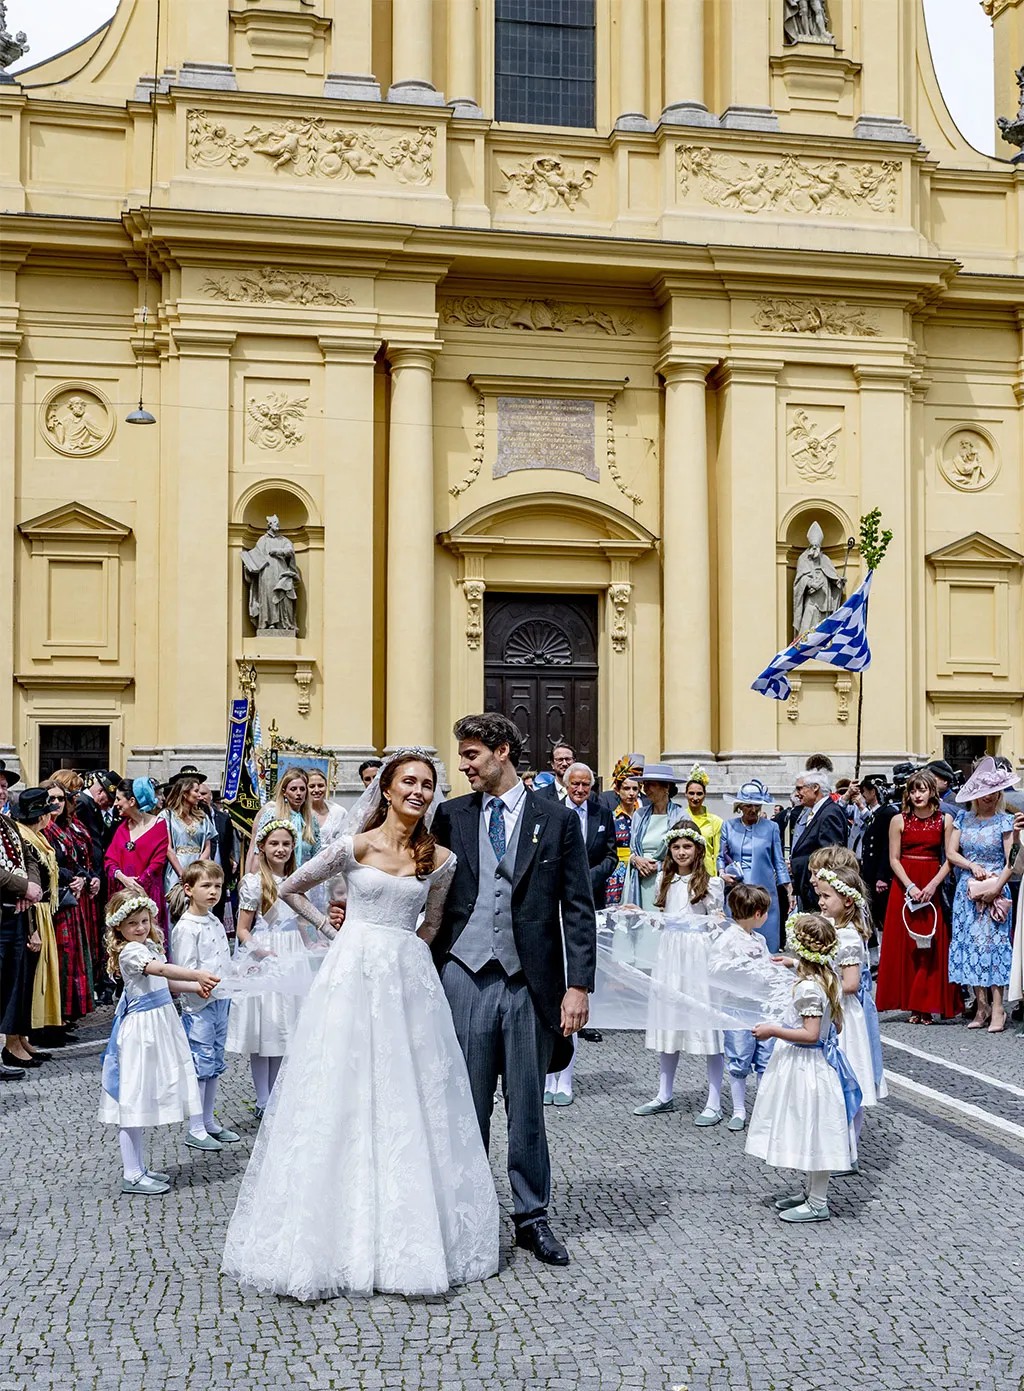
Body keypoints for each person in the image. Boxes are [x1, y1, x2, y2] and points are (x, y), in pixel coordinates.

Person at [223, 749, 499, 1299]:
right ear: (387, 790)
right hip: (350, 975)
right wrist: (333, 931)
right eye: (408, 783)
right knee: (341, 1087)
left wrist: (410, 956)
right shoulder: (354, 846)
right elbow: (293, 886)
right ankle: (333, 1232)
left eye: (427, 783)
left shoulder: (439, 860)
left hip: (407, 980)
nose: (418, 792)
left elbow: (435, 921)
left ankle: (411, 1233)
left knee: (409, 1094)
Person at [431, 713, 595, 1268]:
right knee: (467, 1107)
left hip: (529, 983)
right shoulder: (450, 818)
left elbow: (577, 906)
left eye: (472, 754)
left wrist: (577, 985)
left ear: (501, 752)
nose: (463, 765)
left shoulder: (555, 819)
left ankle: (532, 1219)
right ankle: (467, 1215)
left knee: (527, 1109)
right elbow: (415, 885)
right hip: (463, 973)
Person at [98, 890, 219, 1196]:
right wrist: (197, 973)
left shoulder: (147, 946)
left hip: (160, 1024)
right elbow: (161, 970)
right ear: (119, 930)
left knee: (143, 1096)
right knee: (134, 1098)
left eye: (144, 921)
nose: (140, 927)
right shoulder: (131, 953)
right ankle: (131, 1172)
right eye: (132, 924)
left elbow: (165, 982)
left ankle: (138, 1167)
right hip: (142, 1032)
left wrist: (194, 985)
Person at [745, 914, 861, 1224]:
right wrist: (792, 965)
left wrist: (773, 1030)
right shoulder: (828, 979)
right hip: (815, 1064)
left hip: (807, 1067)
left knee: (815, 1131)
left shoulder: (810, 989)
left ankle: (819, 1202)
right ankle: (811, 1192)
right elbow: (835, 1024)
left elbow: (810, 1034)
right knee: (808, 1128)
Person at [633, 824, 727, 1125]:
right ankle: (664, 1092)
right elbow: (665, 921)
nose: (682, 852)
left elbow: (715, 921)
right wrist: (639, 913)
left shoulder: (710, 884)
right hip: (671, 955)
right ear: (670, 851)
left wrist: (714, 924)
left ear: (697, 850)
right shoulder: (665, 880)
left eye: (687, 846)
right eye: (676, 847)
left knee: (706, 1024)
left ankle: (714, 1099)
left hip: (696, 955)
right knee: (669, 1021)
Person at [226, 820, 318, 1119]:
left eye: (286, 844)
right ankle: (263, 1098)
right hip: (267, 953)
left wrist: (310, 945)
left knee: (284, 1029)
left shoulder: (296, 879)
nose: (280, 849)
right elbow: (242, 929)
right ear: (262, 847)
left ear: (293, 849)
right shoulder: (255, 883)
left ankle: (278, 1095)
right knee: (264, 1027)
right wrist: (260, 952)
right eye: (274, 843)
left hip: (292, 953)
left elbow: (301, 923)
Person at [875, 771, 960, 1023]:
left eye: (922, 790)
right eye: (913, 791)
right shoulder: (898, 820)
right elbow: (893, 859)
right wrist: (910, 886)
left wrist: (933, 885)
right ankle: (912, 1005)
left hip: (932, 881)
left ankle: (928, 1004)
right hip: (905, 885)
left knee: (931, 945)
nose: (917, 795)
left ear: (932, 791)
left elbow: (950, 858)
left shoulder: (945, 820)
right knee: (907, 946)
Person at [814, 866, 887, 1157]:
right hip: (834, 1009)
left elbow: (851, 983)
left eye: (826, 896)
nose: (820, 902)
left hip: (845, 1014)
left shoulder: (847, 937)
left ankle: (849, 1147)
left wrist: (818, 984)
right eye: (819, 896)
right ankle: (841, 1144)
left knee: (847, 1077)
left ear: (847, 901)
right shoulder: (835, 930)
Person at [169, 861, 240, 1150]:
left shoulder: (213, 920)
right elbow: (181, 973)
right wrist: (198, 986)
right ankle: (196, 1126)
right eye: (206, 886)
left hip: (220, 1000)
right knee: (201, 1063)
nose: (213, 892)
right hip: (199, 1007)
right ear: (189, 889)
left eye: (218, 886)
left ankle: (209, 1120)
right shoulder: (187, 928)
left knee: (214, 1062)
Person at [946, 757, 1018, 1034]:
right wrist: (971, 865)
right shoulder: (963, 819)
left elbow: (1011, 858)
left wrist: (996, 887)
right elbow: (952, 852)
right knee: (969, 946)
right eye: (985, 792)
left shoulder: (1005, 820)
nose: (990, 797)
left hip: (995, 886)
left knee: (993, 947)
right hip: (967, 889)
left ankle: (998, 1007)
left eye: (995, 792)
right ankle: (981, 1005)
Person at [713, 883, 776, 1132]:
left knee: (765, 1056)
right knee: (739, 1056)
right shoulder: (728, 939)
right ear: (758, 914)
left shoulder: (759, 939)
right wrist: (742, 968)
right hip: (737, 1007)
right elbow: (716, 967)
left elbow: (767, 965)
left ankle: (763, 1108)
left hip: (761, 1006)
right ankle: (739, 1108)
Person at [1, 788, 52, 1071]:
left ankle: (15, 1042)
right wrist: (22, 886)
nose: (1, 791)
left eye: (2, 786)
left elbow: (29, 859)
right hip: (5, 911)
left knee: (14, 982)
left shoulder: (7, 824)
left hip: (19, 913)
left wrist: (29, 889)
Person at [42, 778, 95, 1030]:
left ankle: (67, 1013)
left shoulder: (68, 826)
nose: (56, 803)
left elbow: (79, 859)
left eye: (60, 799)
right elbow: (49, 864)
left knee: (72, 956)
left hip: (73, 896)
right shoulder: (43, 829)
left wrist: (87, 877)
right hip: (54, 901)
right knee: (60, 958)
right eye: (51, 799)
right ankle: (56, 1017)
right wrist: (72, 878)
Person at [717, 779, 793, 953]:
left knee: (765, 937)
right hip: (736, 890)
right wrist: (722, 873)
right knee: (737, 939)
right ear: (740, 806)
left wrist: (788, 888)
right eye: (748, 805)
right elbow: (721, 856)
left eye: (757, 806)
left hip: (764, 889)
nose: (753, 810)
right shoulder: (729, 826)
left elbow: (778, 860)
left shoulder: (772, 827)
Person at [14, 788, 61, 1054]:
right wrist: (33, 927)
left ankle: (22, 1037)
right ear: (40, 817)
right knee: (28, 977)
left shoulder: (38, 838)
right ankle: (16, 1038)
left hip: (43, 911)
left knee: (34, 975)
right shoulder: (26, 838)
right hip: (33, 912)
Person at [105, 779, 169, 947]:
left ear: (132, 801)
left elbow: (158, 862)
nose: (115, 804)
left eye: (119, 799)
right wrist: (123, 878)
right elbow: (110, 861)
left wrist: (139, 885)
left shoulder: (159, 825)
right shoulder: (121, 828)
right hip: (124, 895)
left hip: (148, 893)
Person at [623, 764, 688, 910]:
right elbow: (631, 849)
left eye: (651, 784)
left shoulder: (680, 815)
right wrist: (635, 859)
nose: (645, 789)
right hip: (639, 878)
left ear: (666, 788)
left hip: (667, 877)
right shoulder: (639, 815)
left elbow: (686, 852)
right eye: (644, 784)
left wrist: (659, 866)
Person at [789, 772, 850, 911]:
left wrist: (795, 864)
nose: (797, 794)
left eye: (800, 788)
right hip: (810, 889)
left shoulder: (829, 813)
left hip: (819, 893)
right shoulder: (816, 811)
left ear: (815, 788)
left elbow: (830, 857)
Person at [248, 766, 320, 871]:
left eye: (302, 789)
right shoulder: (272, 814)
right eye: (293, 789)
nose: (298, 793)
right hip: (275, 877)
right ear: (284, 792)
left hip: (304, 880)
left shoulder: (311, 820)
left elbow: (317, 856)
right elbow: (258, 853)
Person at [161, 776, 217, 912]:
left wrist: (197, 868)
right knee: (176, 907)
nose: (199, 795)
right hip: (176, 868)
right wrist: (182, 874)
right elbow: (168, 848)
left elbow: (208, 846)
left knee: (202, 905)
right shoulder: (167, 815)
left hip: (199, 865)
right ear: (185, 793)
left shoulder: (202, 817)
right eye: (196, 791)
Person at [858, 775, 898, 931]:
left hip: (878, 874)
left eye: (864, 791)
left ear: (873, 792)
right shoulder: (875, 813)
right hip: (870, 871)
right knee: (873, 913)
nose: (862, 795)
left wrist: (882, 876)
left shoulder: (887, 813)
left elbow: (887, 846)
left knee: (882, 915)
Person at [305, 769, 346, 918]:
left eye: (320, 786)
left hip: (333, 874)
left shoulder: (339, 812)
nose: (317, 790)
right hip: (307, 870)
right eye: (312, 786)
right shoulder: (300, 812)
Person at [603, 758, 643, 908]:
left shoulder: (643, 817)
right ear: (617, 790)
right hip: (617, 872)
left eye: (635, 789)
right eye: (626, 788)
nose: (631, 793)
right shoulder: (611, 818)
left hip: (639, 870)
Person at [682, 765, 722, 875]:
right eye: (691, 793)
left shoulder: (716, 821)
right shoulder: (680, 817)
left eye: (699, 793)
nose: (695, 798)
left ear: (705, 795)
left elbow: (718, 853)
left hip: (707, 872)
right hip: (684, 871)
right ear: (685, 794)